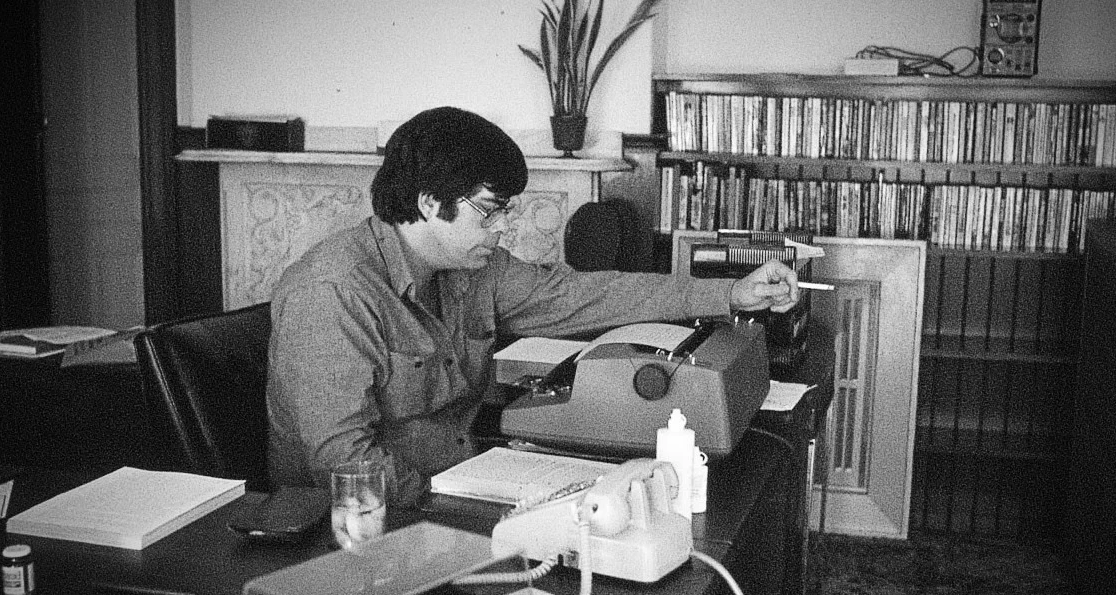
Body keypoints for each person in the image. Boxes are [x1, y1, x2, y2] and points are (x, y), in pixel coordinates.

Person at [266, 106, 798, 507]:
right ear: (430, 203)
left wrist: (729, 292)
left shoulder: (476, 267)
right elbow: (345, 466)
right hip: (379, 516)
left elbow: (585, 295)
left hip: (466, 476)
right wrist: (460, 507)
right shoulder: (331, 293)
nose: (502, 229)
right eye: (490, 211)